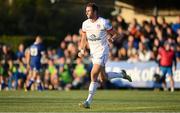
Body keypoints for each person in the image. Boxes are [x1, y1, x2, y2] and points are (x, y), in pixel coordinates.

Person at [78, 3, 132, 108]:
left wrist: (111, 39)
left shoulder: (103, 22)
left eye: (89, 10)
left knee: (93, 74)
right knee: (103, 78)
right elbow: (83, 37)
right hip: (93, 53)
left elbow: (116, 34)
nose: (86, 12)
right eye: (86, 11)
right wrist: (82, 49)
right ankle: (122, 75)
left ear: (95, 11)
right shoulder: (85, 24)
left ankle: (88, 102)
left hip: (103, 51)